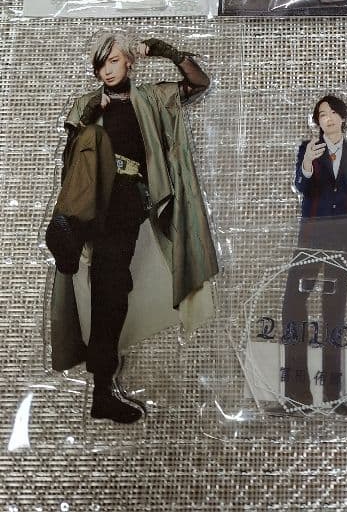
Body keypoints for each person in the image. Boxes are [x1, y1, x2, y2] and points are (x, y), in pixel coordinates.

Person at [45, 34, 219, 423]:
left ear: (129, 62)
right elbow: (71, 160)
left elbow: (198, 83)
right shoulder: (87, 105)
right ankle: (68, 227)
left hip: (127, 197)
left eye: (113, 61)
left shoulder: (153, 98)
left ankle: (102, 391)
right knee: (91, 136)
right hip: (91, 197)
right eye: (100, 64)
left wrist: (164, 50)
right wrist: (92, 110)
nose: (106, 71)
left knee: (110, 288)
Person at [281, 95, 347, 411]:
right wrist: (307, 165)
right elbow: (300, 186)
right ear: (317, 121)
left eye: (334, 112)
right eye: (322, 114)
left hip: (342, 242)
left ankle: (334, 396)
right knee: (293, 305)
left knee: (334, 312)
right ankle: (297, 395)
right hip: (310, 238)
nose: (329, 118)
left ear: (343, 117)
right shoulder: (307, 149)